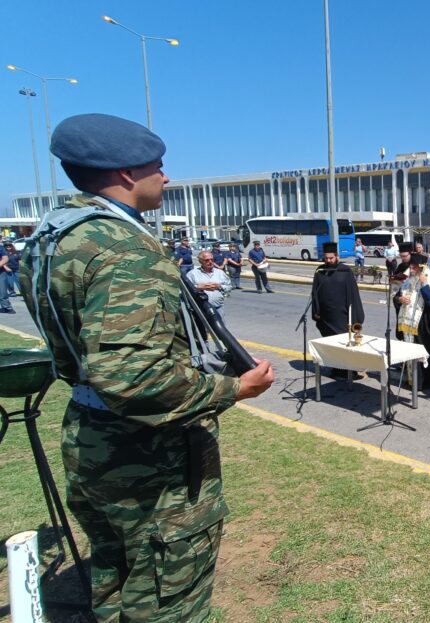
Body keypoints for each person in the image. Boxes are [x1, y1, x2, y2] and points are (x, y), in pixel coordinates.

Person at [21, 113, 274, 622]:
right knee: (167, 598)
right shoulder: (126, 249)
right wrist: (234, 389)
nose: (166, 176)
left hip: (91, 436)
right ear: (125, 174)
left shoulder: (54, 237)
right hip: (147, 455)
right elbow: (133, 376)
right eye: (157, 167)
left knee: (115, 577)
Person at [398, 253, 430, 388]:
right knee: (409, 351)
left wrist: (424, 284)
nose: (411, 270)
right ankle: (411, 380)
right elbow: (397, 295)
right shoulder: (409, 280)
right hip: (408, 324)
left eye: (414, 267)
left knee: (424, 354)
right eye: (410, 267)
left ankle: (422, 382)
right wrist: (400, 299)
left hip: (422, 325)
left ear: (421, 268)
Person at [311, 242, 365, 376]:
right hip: (326, 317)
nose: (328, 261)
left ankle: (350, 370)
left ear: (337, 256)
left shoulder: (345, 271)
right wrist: (316, 310)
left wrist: (355, 316)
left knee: (344, 343)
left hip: (343, 315)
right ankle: (336, 368)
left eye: (331, 258)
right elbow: (315, 292)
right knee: (331, 344)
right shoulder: (320, 271)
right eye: (326, 258)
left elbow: (353, 294)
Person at [187, 250, 233, 322]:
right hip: (200, 309)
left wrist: (219, 286)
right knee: (203, 328)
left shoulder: (220, 273)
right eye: (207, 260)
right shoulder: (192, 274)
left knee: (219, 327)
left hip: (218, 308)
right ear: (201, 261)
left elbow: (229, 287)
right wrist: (198, 287)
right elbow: (185, 289)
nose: (210, 262)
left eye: (212, 259)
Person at [0, 243, 14, 313]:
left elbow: (5, 258)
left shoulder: (0, 247)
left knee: (2, 291)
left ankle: (7, 307)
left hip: (0, 272)